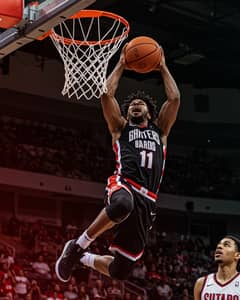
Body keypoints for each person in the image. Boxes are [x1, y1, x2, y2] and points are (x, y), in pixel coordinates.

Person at [55, 44, 180, 282]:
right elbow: (107, 94)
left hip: (148, 200)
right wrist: (121, 63)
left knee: (120, 271)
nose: (135, 104)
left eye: (140, 103)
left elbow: (174, 98)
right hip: (124, 184)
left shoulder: (160, 131)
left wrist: (162, 67)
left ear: (150, 113)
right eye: (132, 103)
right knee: (122, 204)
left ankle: (82, 259)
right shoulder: (120, 128)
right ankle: (78, 245)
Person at [193, 235, 240, 300]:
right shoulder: (201, 283)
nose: (219, 247)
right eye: (219, 245)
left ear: (237, 255)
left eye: (226, 245)